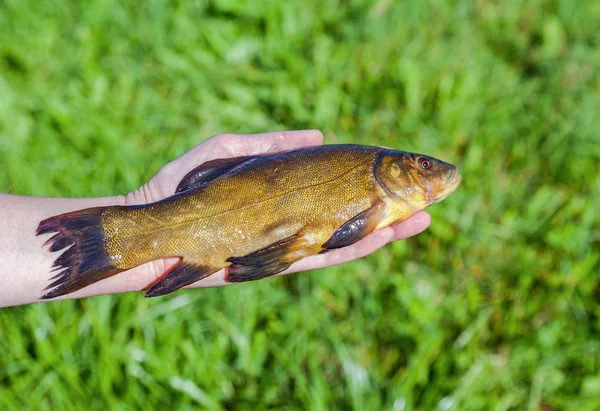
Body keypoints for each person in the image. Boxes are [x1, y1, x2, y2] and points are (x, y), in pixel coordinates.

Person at [0, 130, 431, 308]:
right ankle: (108, 240)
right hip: (226, 213)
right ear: (394, 169)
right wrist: (146, 203)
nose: (434, 172)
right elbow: (344, 235)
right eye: (422, 166)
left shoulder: (375, 186)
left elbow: (344, 234)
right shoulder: (371, 177)